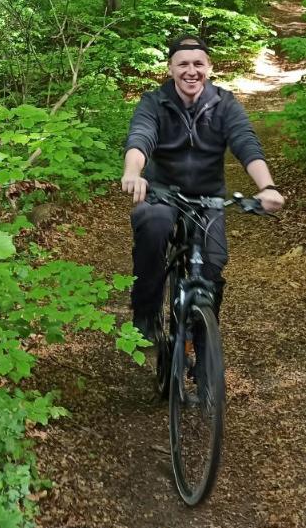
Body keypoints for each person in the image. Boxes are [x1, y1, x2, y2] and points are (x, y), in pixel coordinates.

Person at [121, 34, 285, 343]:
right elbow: (140, 137)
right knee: (153, 228)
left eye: (198, 63)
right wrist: (133, 172)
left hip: (208, 198)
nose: (191, 71)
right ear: (170, 68)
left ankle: (204, 345)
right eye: (183, 64)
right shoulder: (154, 102)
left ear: (209, 67)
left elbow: (245, 143)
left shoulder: (224, 104)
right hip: (162, 193)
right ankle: (146, 313)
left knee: (212, 267)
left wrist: (267, 187)